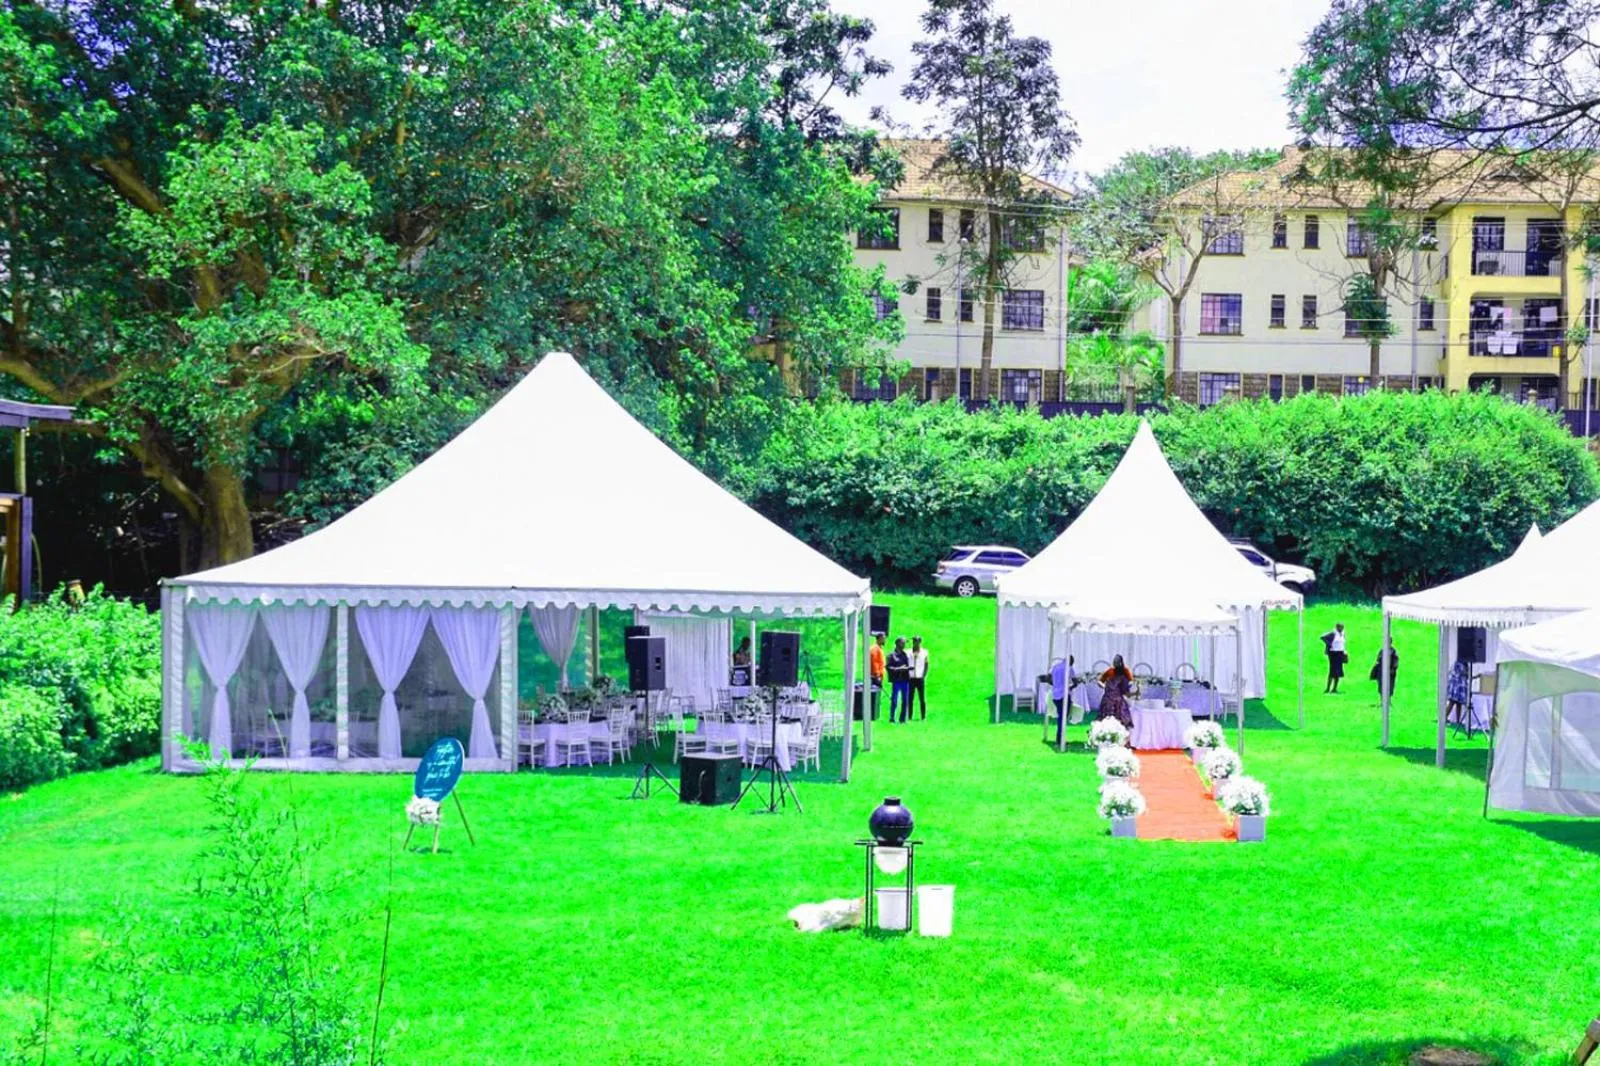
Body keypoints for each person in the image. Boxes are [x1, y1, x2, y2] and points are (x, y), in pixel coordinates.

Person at [1098, 655, 1135, 730]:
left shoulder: (1126, 671)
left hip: (1116, 700)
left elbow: (1130, 682)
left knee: (1117, 719)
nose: (1115, 663)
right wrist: (1105, 687)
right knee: (1108, 719)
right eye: (1114, 662)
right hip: (1110, 699)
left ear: (1121, 662)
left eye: (1116, 662)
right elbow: (1099, 681)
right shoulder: (1110, 671)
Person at [1050, 655, 1078, 746]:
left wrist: (1057, 685)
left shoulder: (1055, 666)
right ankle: (1060, 740)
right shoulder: (1069, 668)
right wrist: (1070, 687)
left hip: (1055, 695)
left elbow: (1049, 679)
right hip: (1064, 695)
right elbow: (1075, 682)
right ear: (1071, 662)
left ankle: (1060, 739)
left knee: (1060, 717)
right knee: (1062, 718)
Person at [887, 637, 912, 723]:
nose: (904, 645)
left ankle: (902, 719)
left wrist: (908, 668)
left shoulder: (905, 654)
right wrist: (899, 669)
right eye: (903, 643)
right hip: (896, 680)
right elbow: (888, 667)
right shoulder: (891, 655)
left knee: (905, 700)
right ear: (898, 643)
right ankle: (892, 717)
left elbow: (907, 665)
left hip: (905, 680)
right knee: (894, 700)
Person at [907, 636, 930, 720]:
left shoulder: (924, 652)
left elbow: (926, 664)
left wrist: (923, 675)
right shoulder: (908, 652)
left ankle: (923, 716)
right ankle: (909, 716)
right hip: (911, 678)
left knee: (922, 698)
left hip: (920, 678)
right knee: (910, 698)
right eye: (914, 641)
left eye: (916, 641)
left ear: (920, 642)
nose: (915, 643)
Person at [1445, 658, 1470, 728]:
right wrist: (1467, 673)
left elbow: (1467, 675)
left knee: (1459, 703)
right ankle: (1444, 718)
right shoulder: (1458, 662)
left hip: (1460, 685)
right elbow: (1461, 672)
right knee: (1452, 702)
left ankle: (1458, 721)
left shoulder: (1466, 663)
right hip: (1456, 685)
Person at [1322, 623, 1347, 694]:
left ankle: (1334, 688)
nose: (1341, 628)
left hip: (1340, 653)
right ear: (1337, 627)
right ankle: (1328, 688)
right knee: (1332, 671)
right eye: (1340, 627)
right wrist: (1329, 644)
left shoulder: (1343, 634)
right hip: (1333, 654)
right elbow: (1323, 637)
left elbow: (1343, 643)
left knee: (1338, 672)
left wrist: (1345, 652)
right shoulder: (1333, 633)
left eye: (1342, 627)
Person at [868, 632, 886, 720]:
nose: (885, 640)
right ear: (879, 639)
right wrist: (877, 675)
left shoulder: (878, 648)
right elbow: (874, 663)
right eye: (883, 638)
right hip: (875, 677)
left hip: (878, 676)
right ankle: (872, 713)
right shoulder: (875, 649)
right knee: (874, 696)